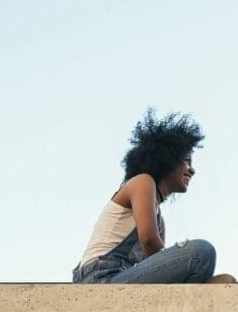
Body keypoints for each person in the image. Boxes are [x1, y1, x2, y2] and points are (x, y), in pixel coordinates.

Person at [72, 108, 217, 283]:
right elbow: (149, 241)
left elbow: (153, 262)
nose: (192, 170)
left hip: (122, 276)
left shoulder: (159, 221)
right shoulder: (143, 182)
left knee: (196, 262)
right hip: (100, 277)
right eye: (186, 160)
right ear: (167, 157)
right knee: (201, 253)